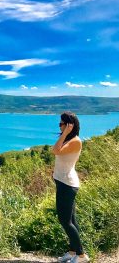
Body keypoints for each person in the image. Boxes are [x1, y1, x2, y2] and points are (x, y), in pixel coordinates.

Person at [52, 112, 89, 263]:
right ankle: (72, 251)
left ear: (69, 125)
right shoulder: (68, 139)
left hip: (67, 185)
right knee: (71, 220)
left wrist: (65, 132)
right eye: (60, 124)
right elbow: (61, 157)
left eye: (62, 124)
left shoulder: (75, 141)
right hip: (63, 182)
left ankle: (81, 255)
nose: (59, 126)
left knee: (65, 220)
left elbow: (55, 150)